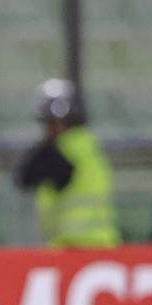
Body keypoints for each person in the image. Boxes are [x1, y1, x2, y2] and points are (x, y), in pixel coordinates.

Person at [14, 78, 120, 248]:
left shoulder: (64, 150)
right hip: (94, 244)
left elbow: (26, 177)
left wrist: (45, 147)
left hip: (79, 246)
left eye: (53, 122)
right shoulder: (87, 144)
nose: (51, 129)